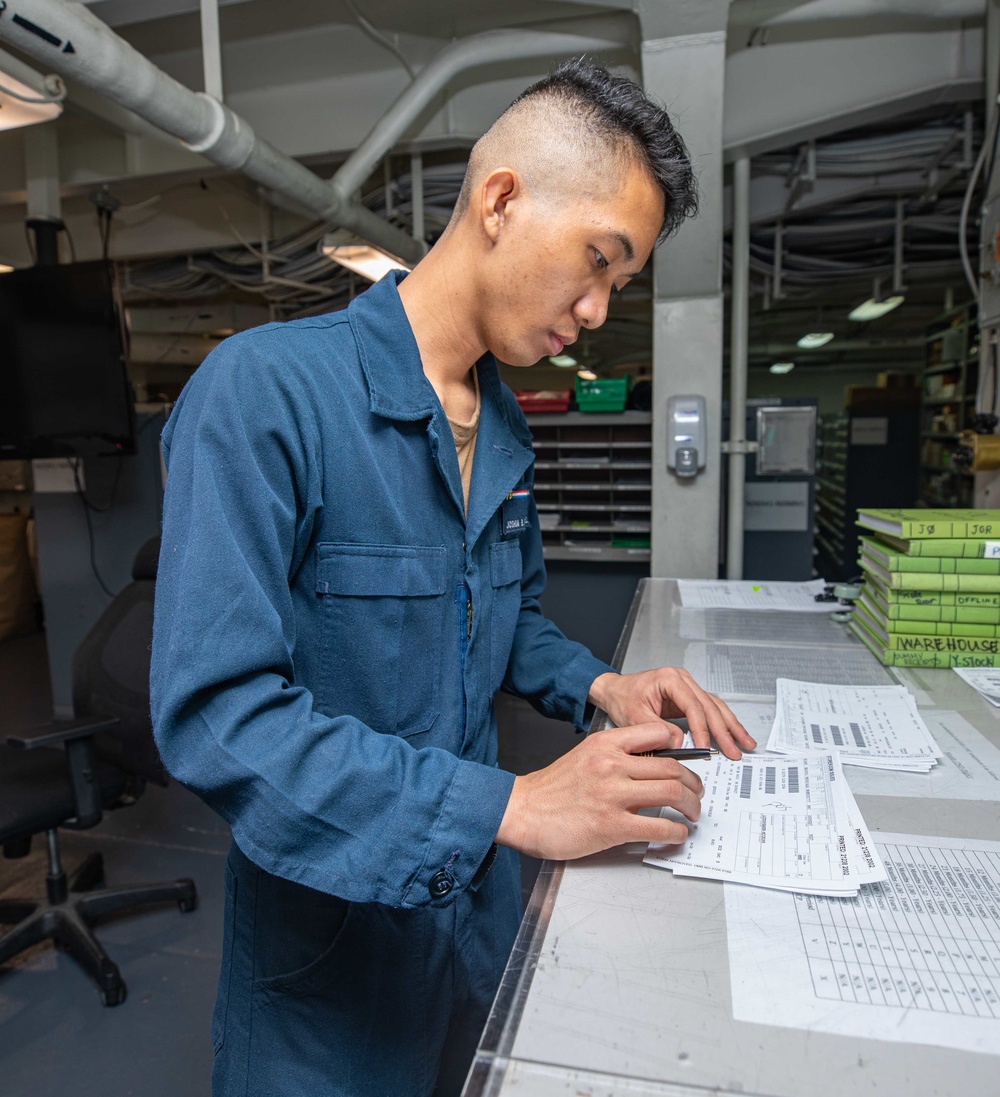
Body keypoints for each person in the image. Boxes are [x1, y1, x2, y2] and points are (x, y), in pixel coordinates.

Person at [150, 56, 757, 1097]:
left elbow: (500, 617)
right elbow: (219, 715)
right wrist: (504, 808)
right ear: (502, 199)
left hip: (472, 924)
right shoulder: (265, 394)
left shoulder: (504, 423)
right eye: (598, 261)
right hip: (330, 950)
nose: (601, 308)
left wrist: (598, 686)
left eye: (621, 281)